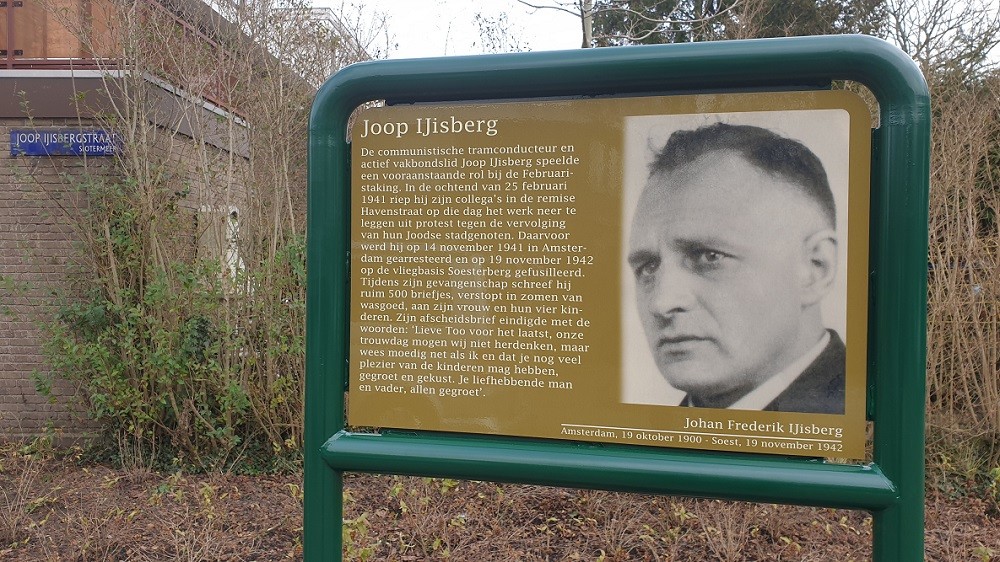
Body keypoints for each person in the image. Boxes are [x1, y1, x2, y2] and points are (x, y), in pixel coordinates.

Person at [626, 122, 844, 414]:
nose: (662, 303)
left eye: (709, 257)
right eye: (648, 267)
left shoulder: (869, 426)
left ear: (816, 269)